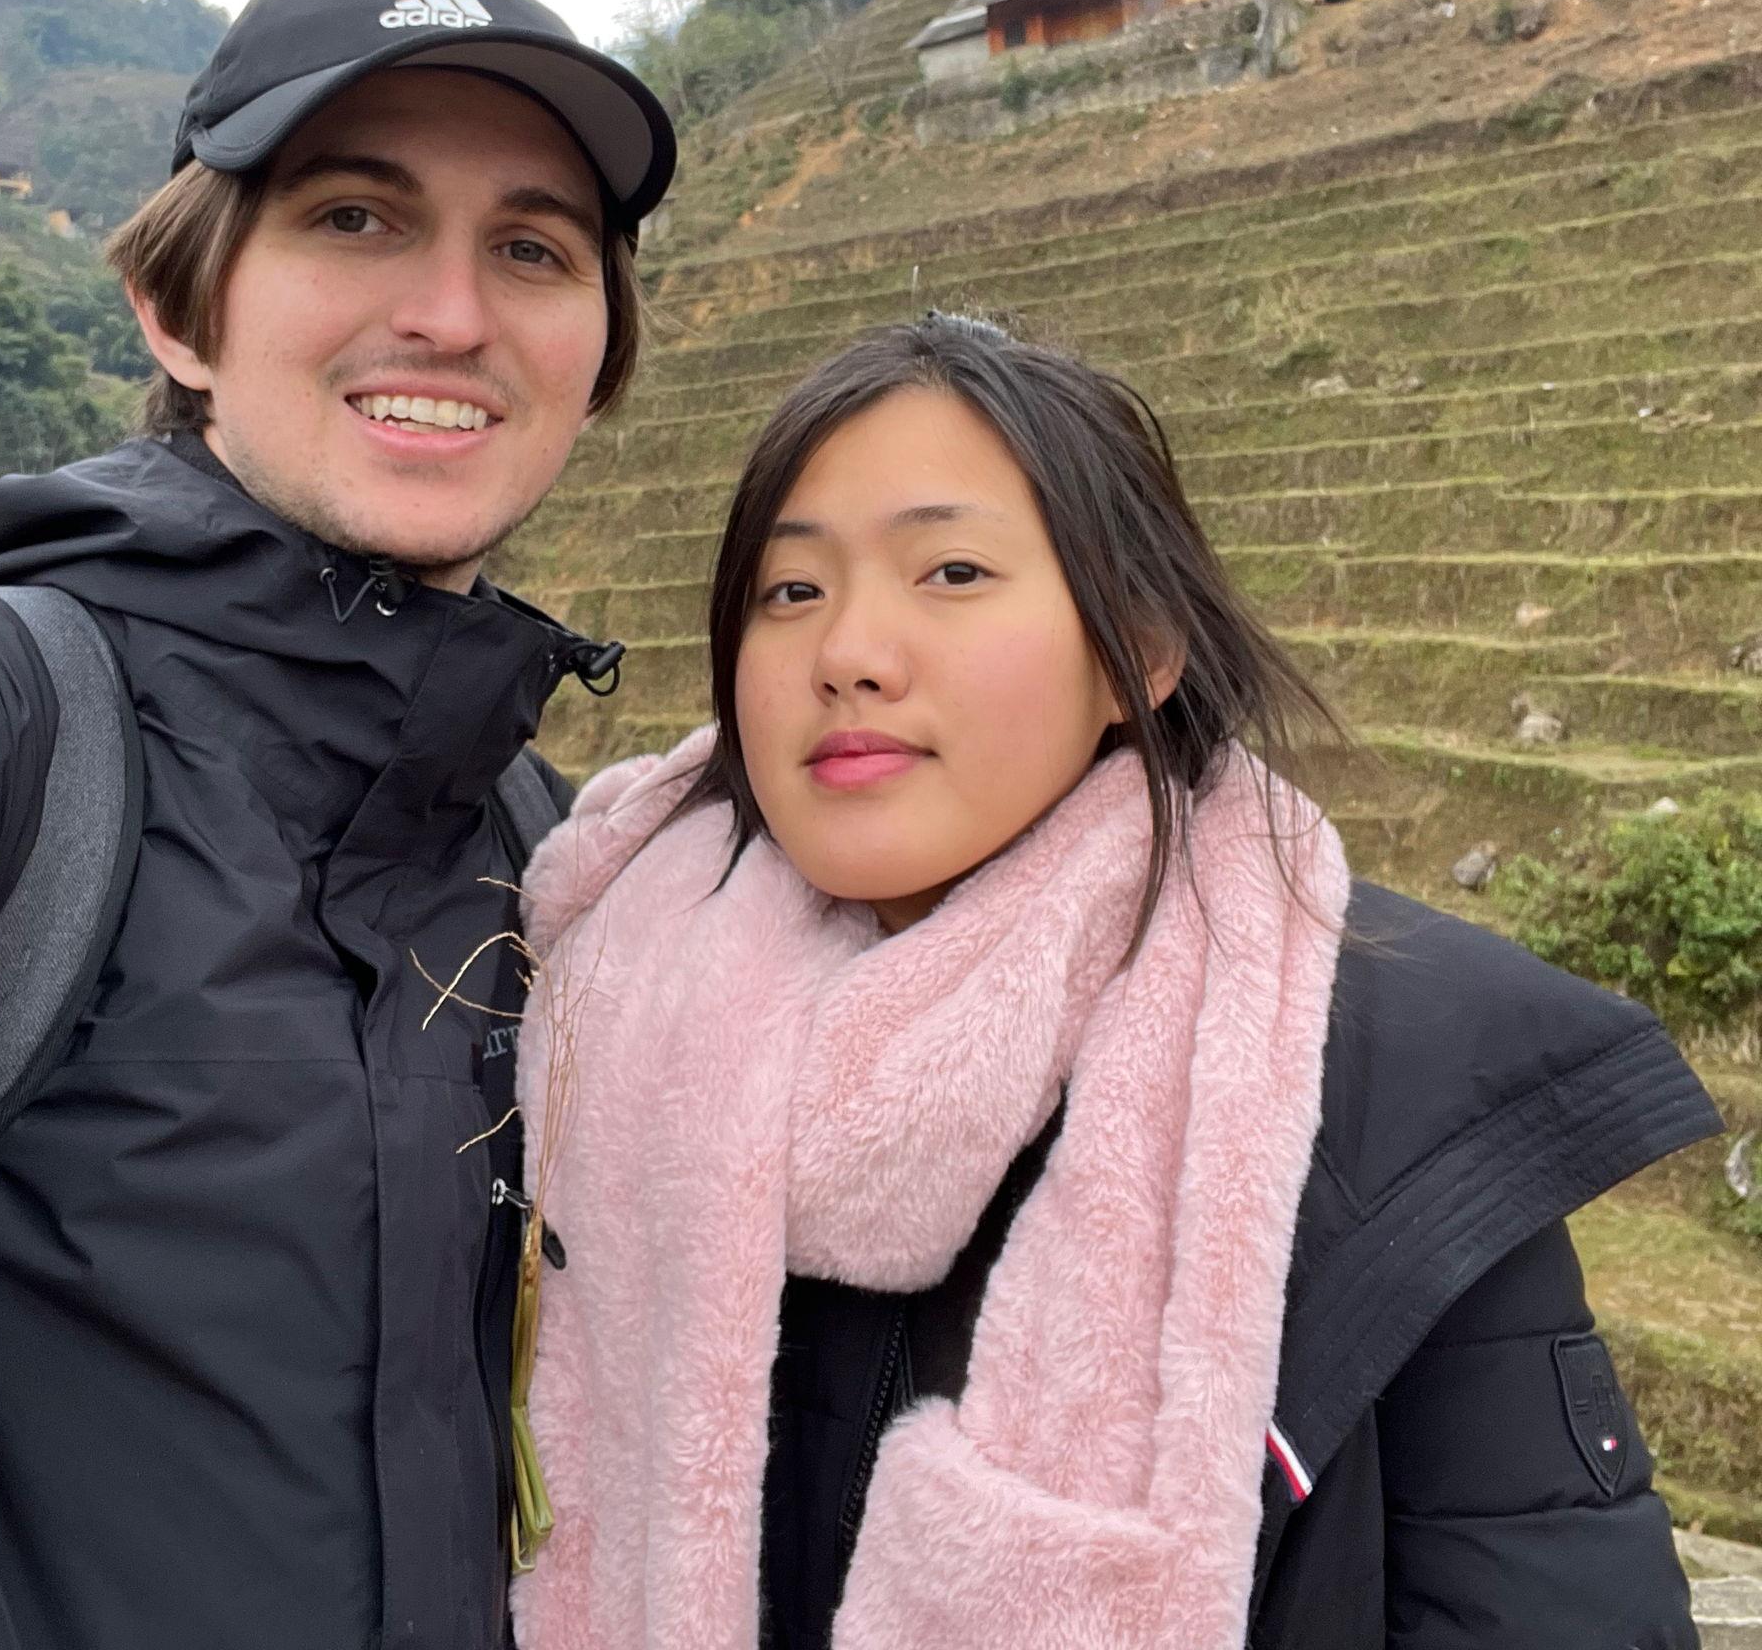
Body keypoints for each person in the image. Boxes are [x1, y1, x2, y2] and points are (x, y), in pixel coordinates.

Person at [0, 0, 675, 1650]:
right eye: (355, 219)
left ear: (592, 357)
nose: (452, 312)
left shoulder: (547, 852)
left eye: (532, 247)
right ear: (183, 310)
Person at [512, 314, 1721, 1650]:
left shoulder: (1379, 1088)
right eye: (789, 592)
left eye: (952, 570)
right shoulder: (595, 1022)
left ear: (1137, 653)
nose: (846, 651)